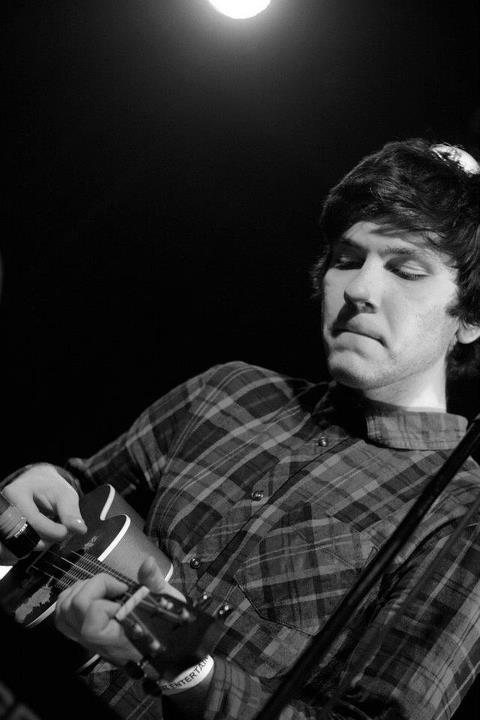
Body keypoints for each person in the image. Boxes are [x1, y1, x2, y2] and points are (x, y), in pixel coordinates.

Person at [1, 138, 480, 720]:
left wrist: (181, 663)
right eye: (347, 259)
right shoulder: (231, 389)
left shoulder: (464, 512)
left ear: (470, 317)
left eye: (406, 270)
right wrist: (34, 487)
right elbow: (79, 497)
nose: (359, 289)